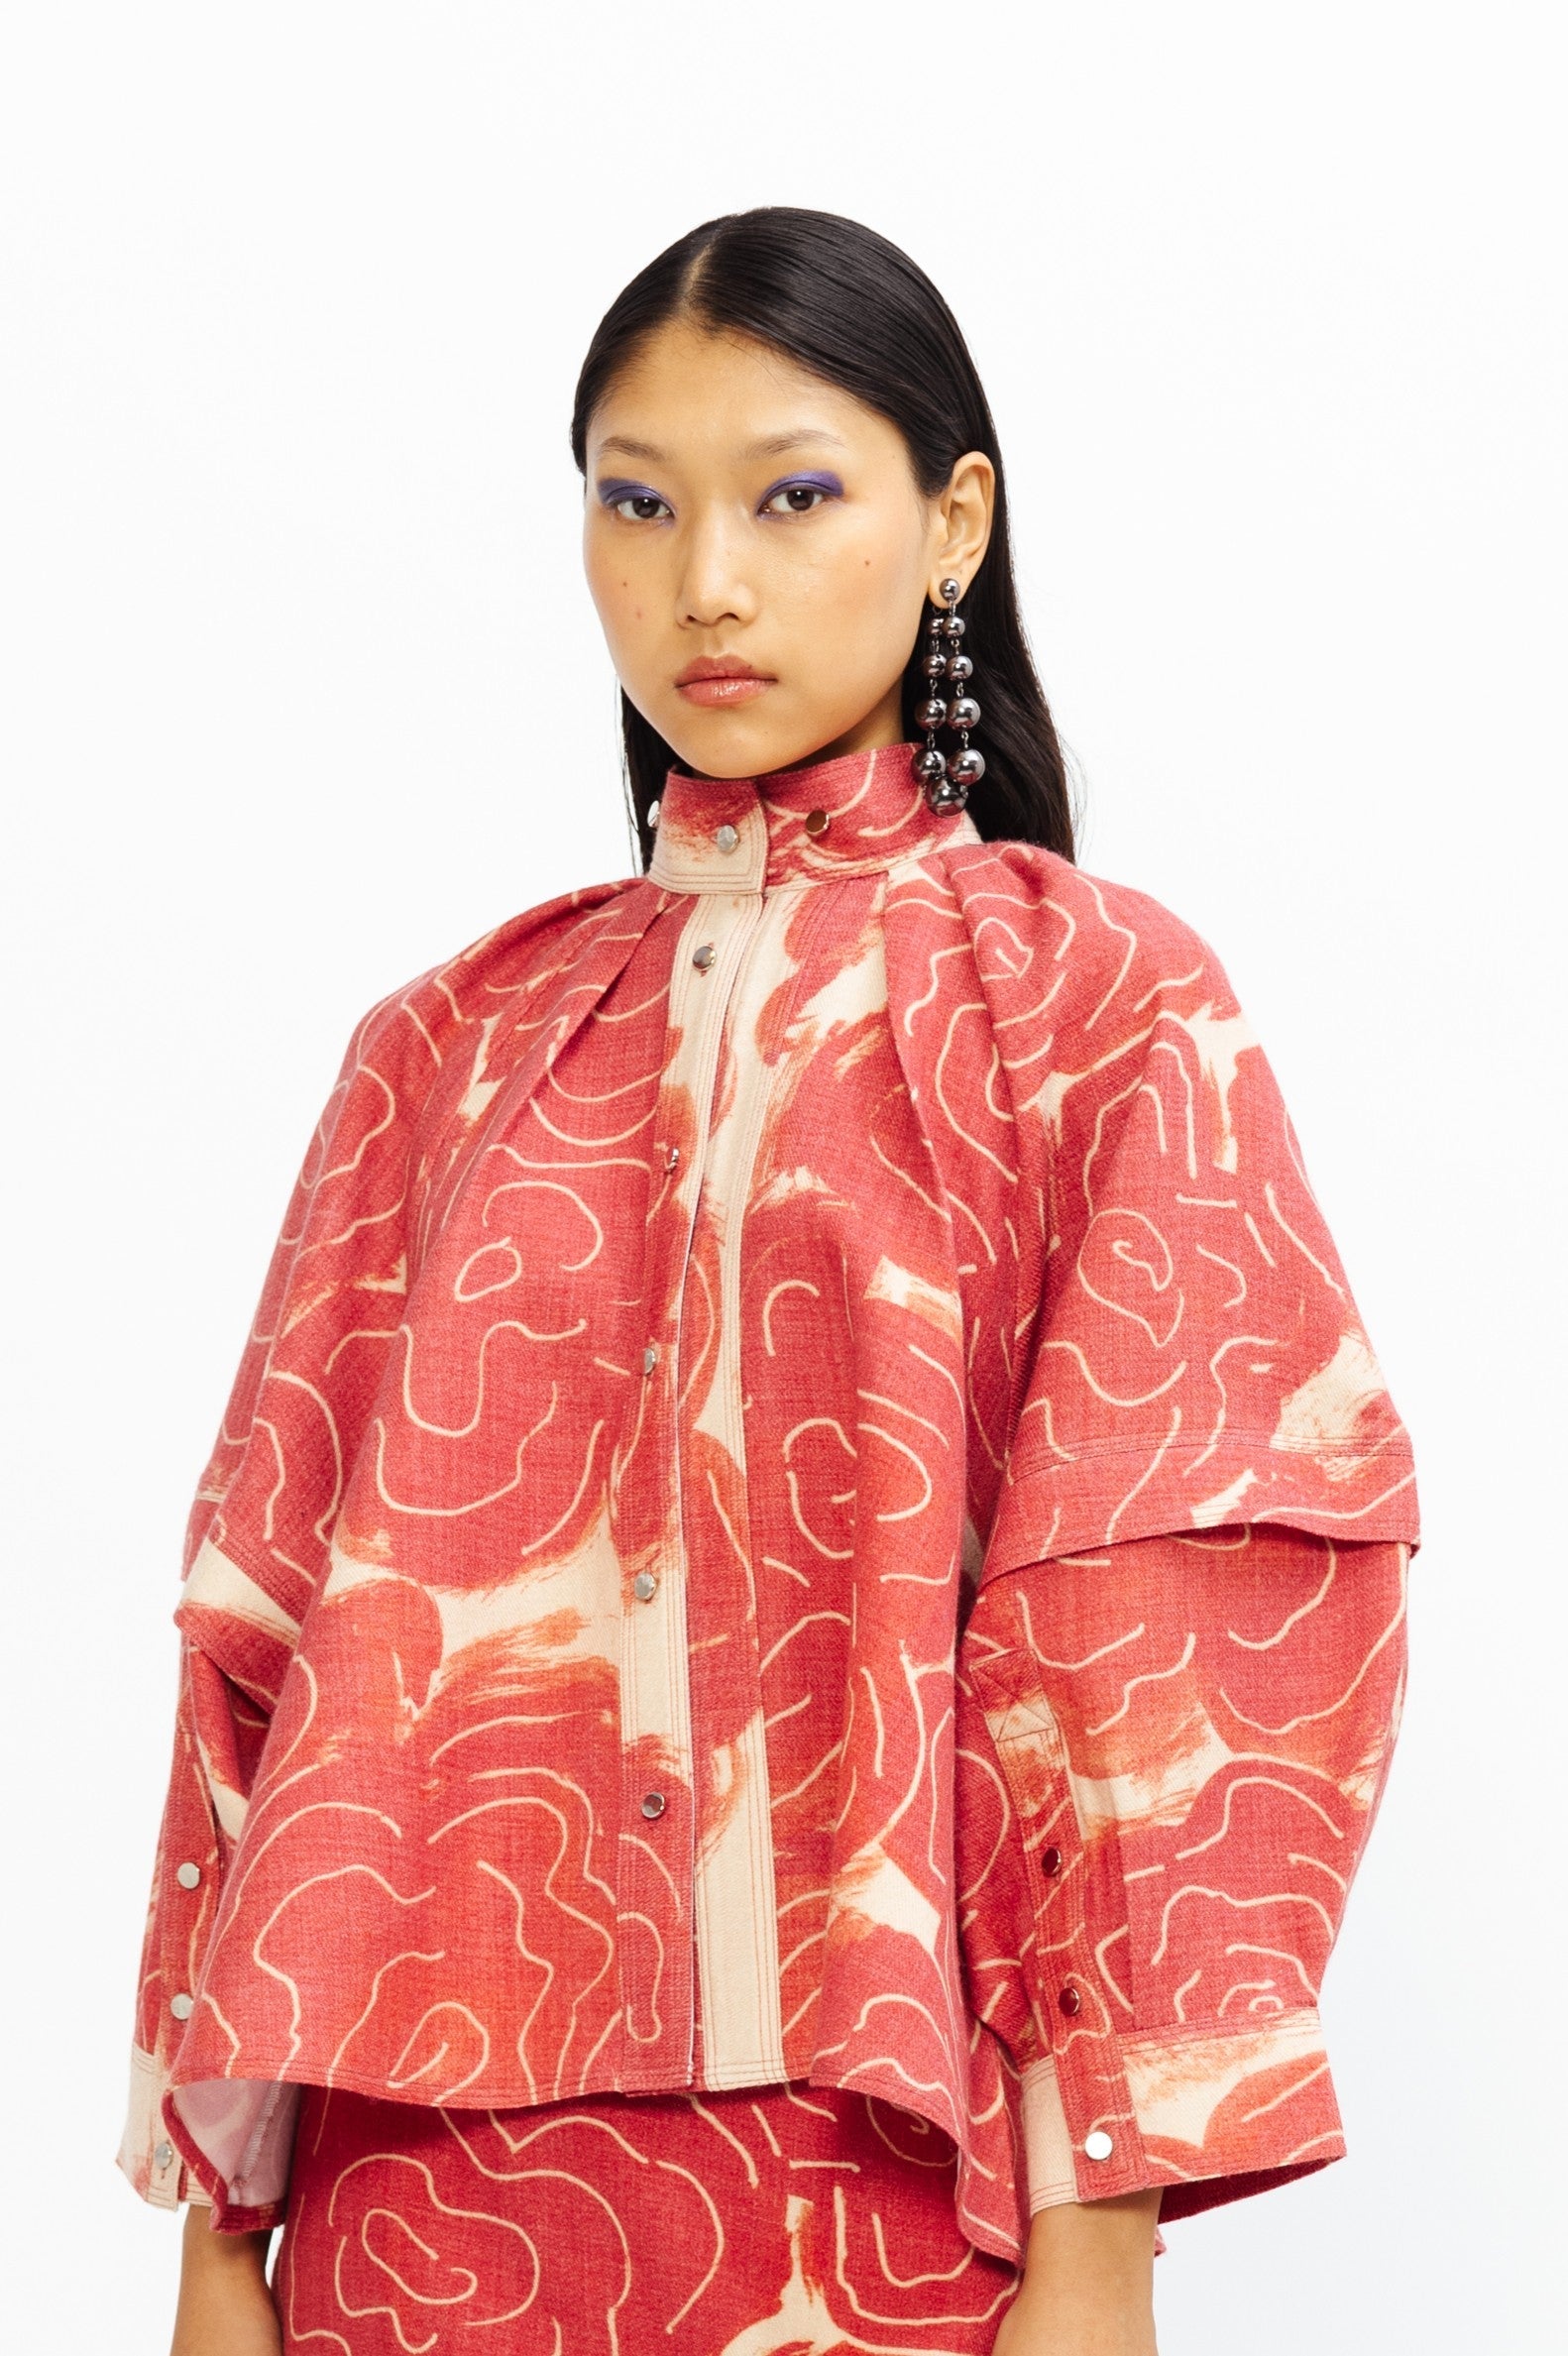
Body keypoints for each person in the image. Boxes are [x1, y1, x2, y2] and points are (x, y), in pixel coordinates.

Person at [120, 207, 1419, 2356]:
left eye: (789, 495)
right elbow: (262, 1631)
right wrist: (212, 2242)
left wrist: (1098, 2241)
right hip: (410, 2213)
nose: (702, 580)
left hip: (889, 2200)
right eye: (635, 503)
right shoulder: (441, 1051)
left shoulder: (1095, 1012)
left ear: (950, 521)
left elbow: (1173, 1630)